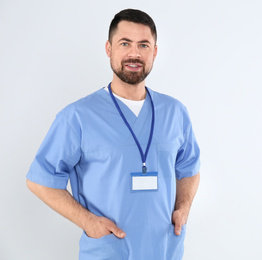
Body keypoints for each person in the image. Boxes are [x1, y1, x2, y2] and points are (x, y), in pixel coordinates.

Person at [26, 8, 200, 260]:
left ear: (155, 51)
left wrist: (183, 208)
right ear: (109, 48)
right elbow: (39, 179)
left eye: (143, 45)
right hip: (108, 251)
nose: (134, 53)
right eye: (125, 43)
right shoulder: (78, 117)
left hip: (165, 250)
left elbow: (189, 168)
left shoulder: (175, 112)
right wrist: (87, 221)